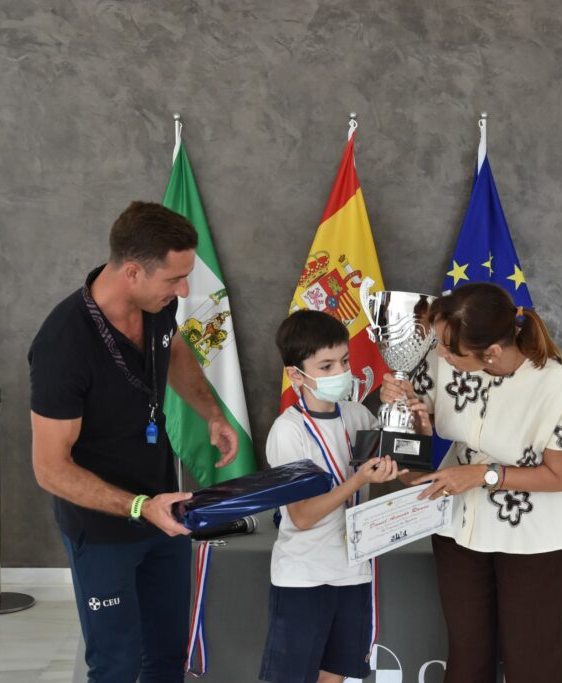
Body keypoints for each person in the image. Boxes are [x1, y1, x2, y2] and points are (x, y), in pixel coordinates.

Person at [29, 201, 238, 683]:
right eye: (174, 279)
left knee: (166, 658)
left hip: (165, 512)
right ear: (131, 273)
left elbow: (177, 349)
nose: (184, 290)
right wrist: (139, 506)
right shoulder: (63, 343)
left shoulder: (157, 306)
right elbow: (49, 469)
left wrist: (211, 413)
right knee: (117, 665)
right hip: (103, 529)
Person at [382, 282, 562, 683]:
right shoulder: (441, 359)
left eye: (450, 349)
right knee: (467, 659)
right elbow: (412, 448)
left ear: (492, 352)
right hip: (457, 529)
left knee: (534, 664)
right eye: (440, 344)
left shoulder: (560, 386)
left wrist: (484, 475)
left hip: (534, 538)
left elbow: (560, 476)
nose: (441, 354)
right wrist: (401, 406)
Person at [261, 310, 404, 683]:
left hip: (352, 570)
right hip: (304, 576)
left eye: (343, 361)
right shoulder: (288, 431)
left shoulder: (357, 415)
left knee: (336, 676)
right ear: (296, 375)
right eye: (325, 366)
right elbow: (303, 517)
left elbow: (400, 462)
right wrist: (355, 482)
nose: (340, 373)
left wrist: (406, 413)